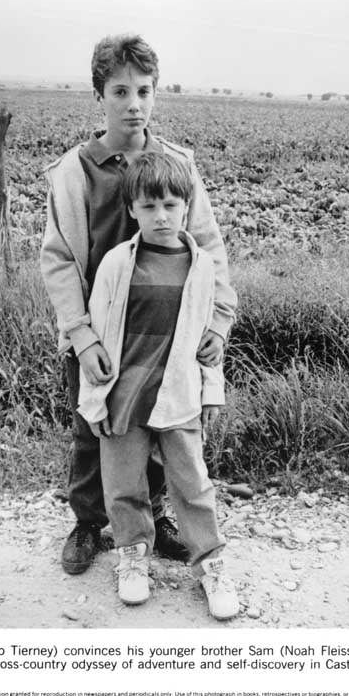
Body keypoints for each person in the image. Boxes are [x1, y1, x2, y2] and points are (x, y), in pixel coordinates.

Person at [39, 34, 236, 575]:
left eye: (144, 91)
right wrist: (80, 336)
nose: (134, 103)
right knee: (94, 425)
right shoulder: (76, 171)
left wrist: (218, 318)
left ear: (155, 95)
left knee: (162, 424)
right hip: (99, 334)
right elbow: (59, 260)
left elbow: (209, 246)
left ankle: (150, 522)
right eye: (120, 90)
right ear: (99, 95)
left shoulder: (176, 166)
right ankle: (88, 522)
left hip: (165, 330)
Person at [78, 152, 239, 620]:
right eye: (149, 207)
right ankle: (133, 555)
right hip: (125, 394)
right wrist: (97, 401)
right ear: (131, 210)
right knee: (124, 485)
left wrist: (211, 391)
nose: (161, 216)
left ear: (187, 206)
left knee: (192, 483)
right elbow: (99, 336)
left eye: (171, 204)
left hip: (180, 394)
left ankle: (210, 563)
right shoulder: (115, 264)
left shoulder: (202, 266)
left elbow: (208, 342)